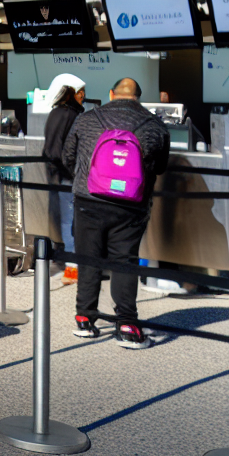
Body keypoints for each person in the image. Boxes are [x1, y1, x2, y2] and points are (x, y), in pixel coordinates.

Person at [62, 77, 169, 348]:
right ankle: (127, 325)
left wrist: (88, 176)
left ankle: (85, 320)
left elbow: (67, 158)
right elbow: (160, 167)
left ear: (111, 94)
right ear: (139, 97)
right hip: (130, 206)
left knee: (88, 258)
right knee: (124, 260)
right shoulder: (154, 124)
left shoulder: (86, 119)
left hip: (88, 200)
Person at [40, 74, 86, 288]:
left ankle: (72, 266)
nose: (83, 96)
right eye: (79, 92)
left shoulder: (56, 112)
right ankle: (73, 268)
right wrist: (73, 172)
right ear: (70, 93)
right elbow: (62, 149)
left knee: (69, 222)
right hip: (68, 176)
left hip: (58, 175)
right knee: (71, 223)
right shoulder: (70, 115)